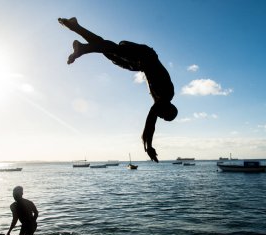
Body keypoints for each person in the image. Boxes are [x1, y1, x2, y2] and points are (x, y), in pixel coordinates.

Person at [58, 17, 178, 162]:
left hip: (138, 65)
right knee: (111, 49)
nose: (159, 116)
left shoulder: (159, 101)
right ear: (168, 108)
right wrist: (149, 146)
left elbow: (150, 122)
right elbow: (150, 123)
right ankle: (83, 49)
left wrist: (147, 145)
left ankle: (75, 27)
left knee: (106, 49)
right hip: (145, 55)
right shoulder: (167, 94)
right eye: (163, 116)